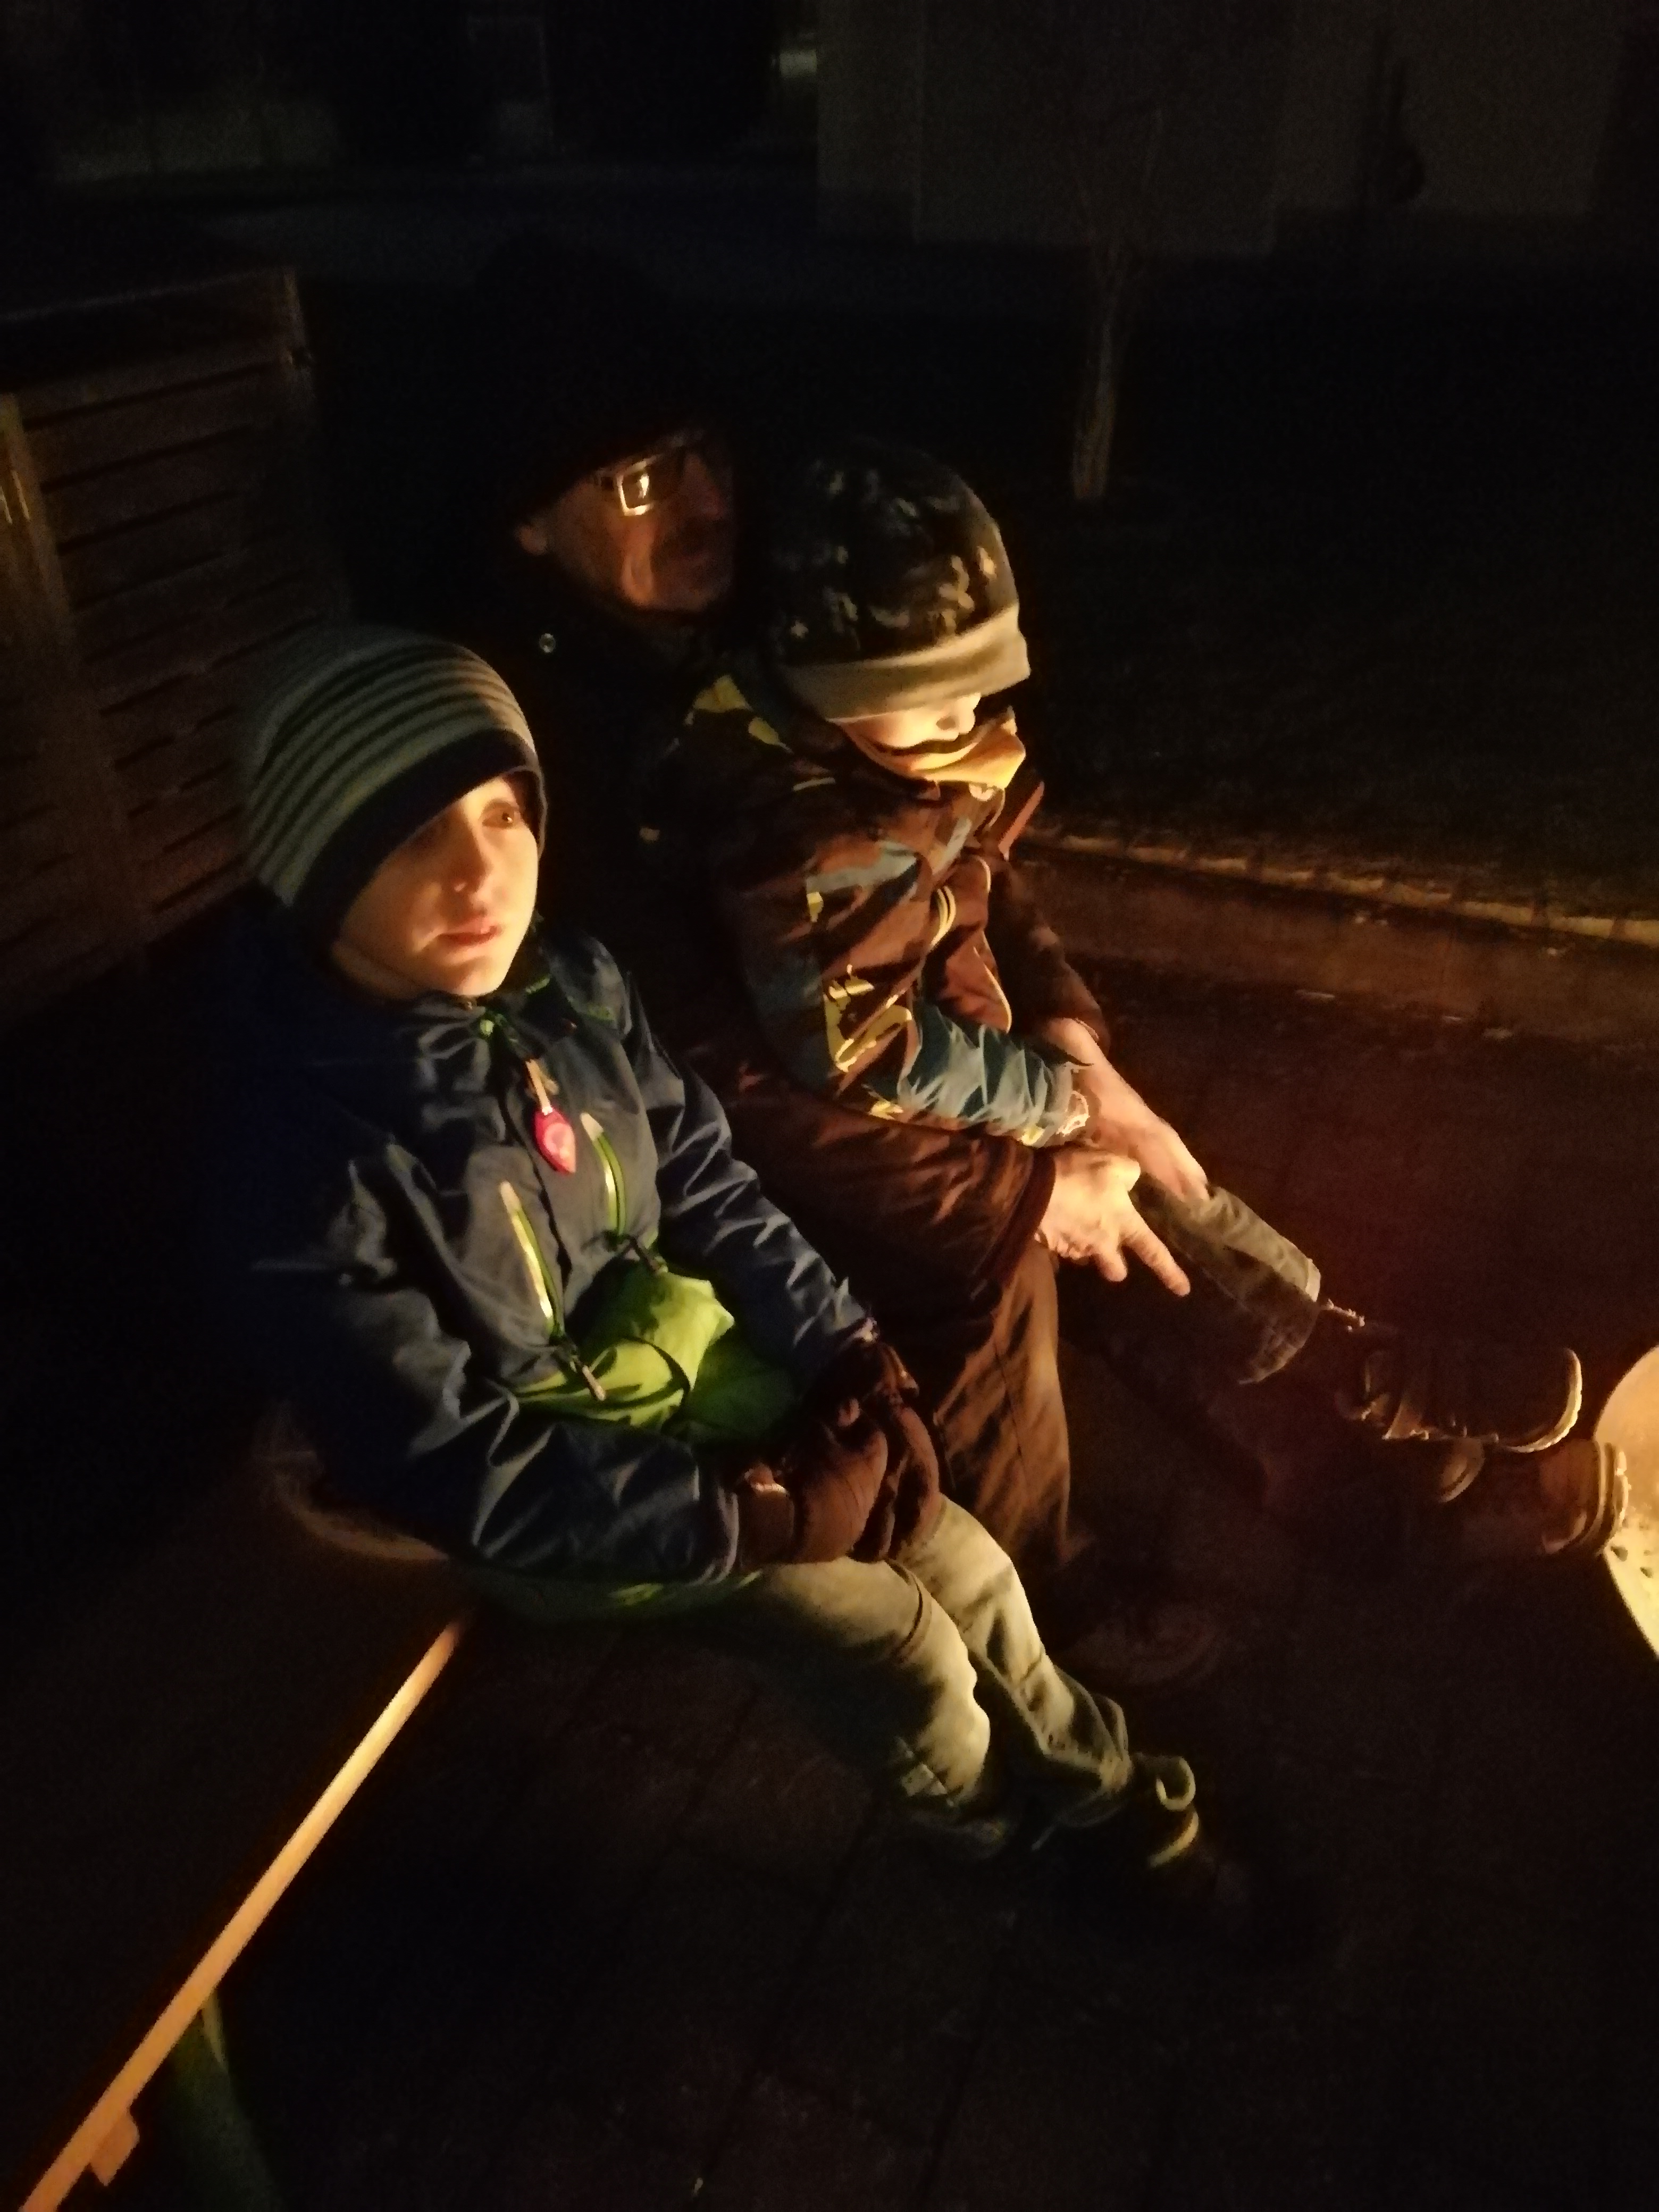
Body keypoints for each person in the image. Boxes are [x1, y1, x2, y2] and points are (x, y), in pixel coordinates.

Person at [446, 247, 1621, 1670]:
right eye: (639, 480)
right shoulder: (544, 750)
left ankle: (1352, 1438)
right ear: (531, 522)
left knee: (1131, 1157)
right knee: (1001, 1266)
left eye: (702, 454)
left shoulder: (784, 627)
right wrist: (1024, 1182)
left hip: (887, 1045)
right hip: (718, 1137)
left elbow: (959, 843)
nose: (700, 503)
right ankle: (1046, 1591)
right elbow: (718, 1069)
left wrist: (1068, 1034)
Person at [204, 622, 1263, 1942]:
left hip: (687, 1365)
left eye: (503, 811)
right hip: (566, 1483)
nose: (482, 870)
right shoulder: (306, 1160)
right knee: (900, 1641)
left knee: (966, 1556)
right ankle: (987, 1831)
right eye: (414, 835)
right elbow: (452, 1464)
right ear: (313, 869)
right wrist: (749, 1514)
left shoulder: (569, 987)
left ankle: (1118, 1801)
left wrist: (844, 1353)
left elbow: (704, 1179)